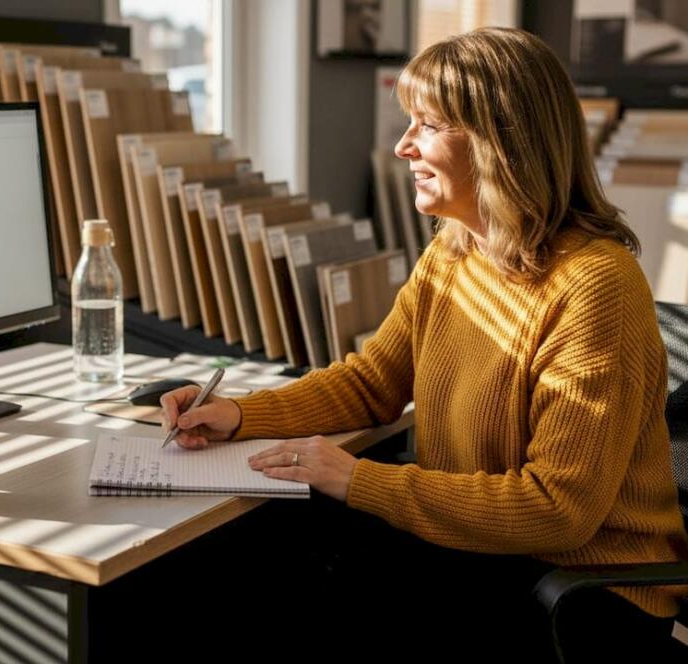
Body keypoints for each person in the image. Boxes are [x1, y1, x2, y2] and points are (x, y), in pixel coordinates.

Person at [160, 27, 688, 661]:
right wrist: (244, 413)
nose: (403, 145)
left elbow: (558, 509)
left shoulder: (596, 285)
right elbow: (372, 383)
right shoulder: (455, 252)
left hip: (583, 598)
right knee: (264, 544)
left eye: (429, 126)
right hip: (484, 552)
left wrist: (360, 481)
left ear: (503, 143)